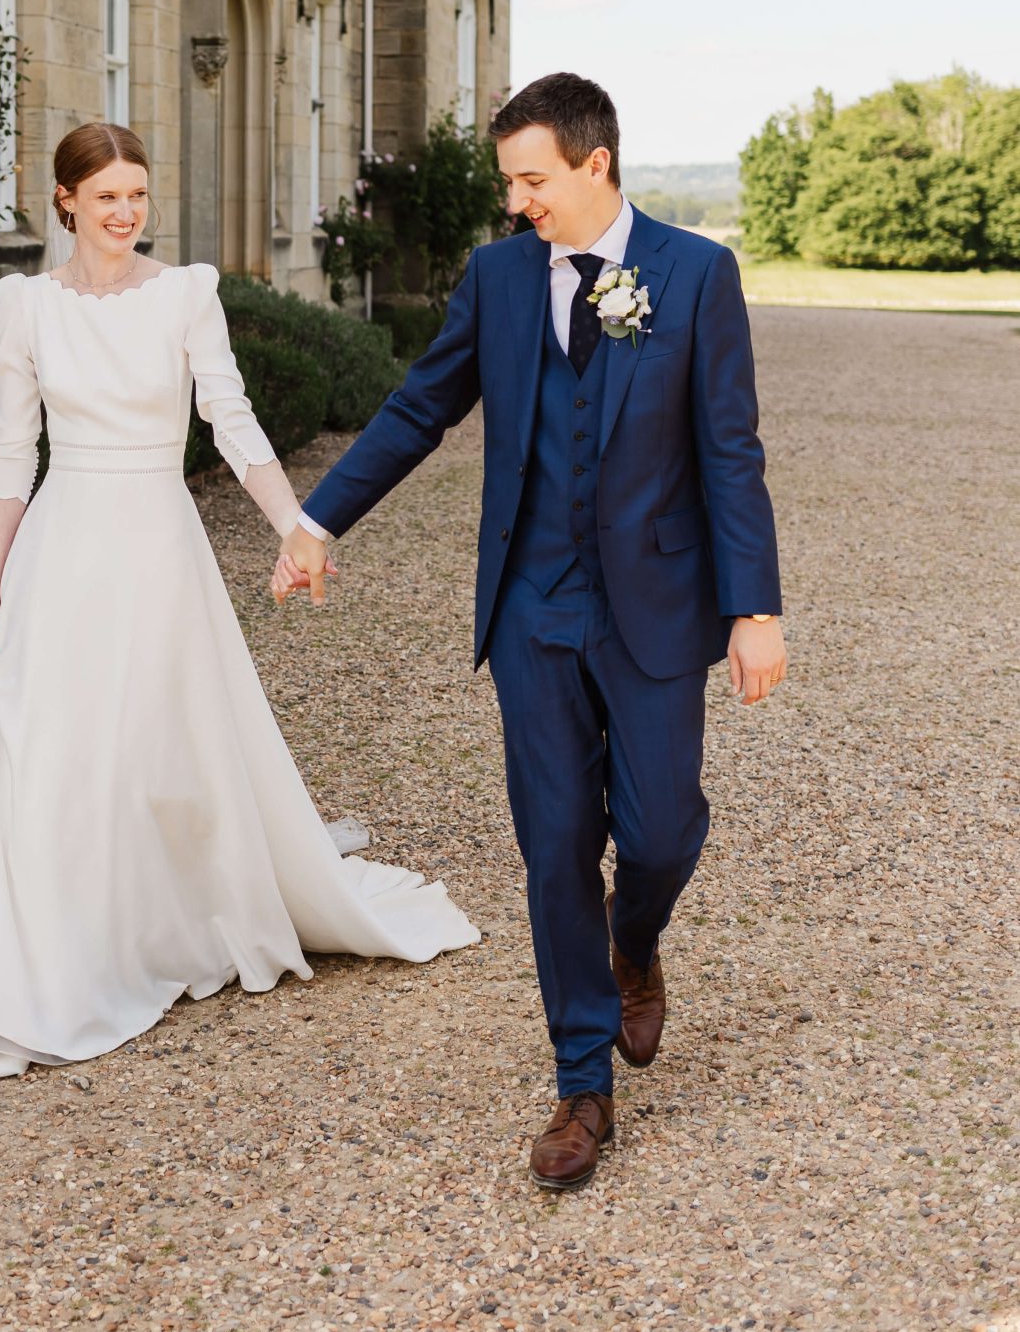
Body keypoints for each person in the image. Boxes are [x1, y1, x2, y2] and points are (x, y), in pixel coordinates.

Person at [274, 72, 785, 1190]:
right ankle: (580, 1084)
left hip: (656, 602)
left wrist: (754, 607)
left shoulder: (698, 274)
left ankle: (636, 942)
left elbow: (730, 449)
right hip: (531, 606)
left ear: (596, 164)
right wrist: (317, 520)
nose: (516, 203)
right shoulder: (499, 279)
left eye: (532, 180)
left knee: (658, 834)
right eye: (510, 181)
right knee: (555, 843)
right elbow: (420, 405)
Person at [0, 119, 479, 1077]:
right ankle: (32, 982)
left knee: (151, 744)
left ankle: (134, 934)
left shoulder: (184, 295)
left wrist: (298, 527)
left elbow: (232, 420)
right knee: (42, 747)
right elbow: (11, 451)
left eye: (138, 194)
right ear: (65, 201)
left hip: (155, 542)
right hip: (61, 543)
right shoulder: (26, 304)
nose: (125, 212)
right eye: (107, 195)